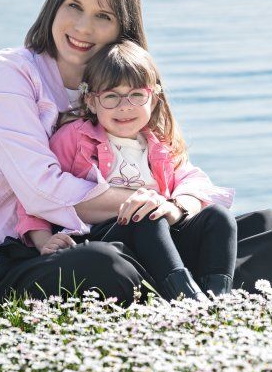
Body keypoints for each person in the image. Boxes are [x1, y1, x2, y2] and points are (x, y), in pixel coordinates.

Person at [0, 0, 272, 320]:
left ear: (122, 29)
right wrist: (145, 203)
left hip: (133, 236)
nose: (83, 27)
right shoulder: (9, 73)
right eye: (74, 6)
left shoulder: (126, 85)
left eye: (103, 16)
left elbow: (183, 170)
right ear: (54, 5)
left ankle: (201, 301)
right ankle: (186, 298)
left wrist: (176, 206)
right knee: (104, 266)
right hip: (20, 257)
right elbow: (39, 190)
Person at [16, 41, 237, 303]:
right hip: (106, 238)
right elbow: (34, 195)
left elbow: (194, 180)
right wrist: (44, 240)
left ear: (153, 98)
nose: (125, 106)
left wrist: (176, 206)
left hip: (162, 238)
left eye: (136, 95)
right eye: (111, 96)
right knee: (144, 215)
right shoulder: (74, 138)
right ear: (92, 101)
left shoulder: (160, 142)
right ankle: (185, 299)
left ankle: (219, 299)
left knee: (218, 216)